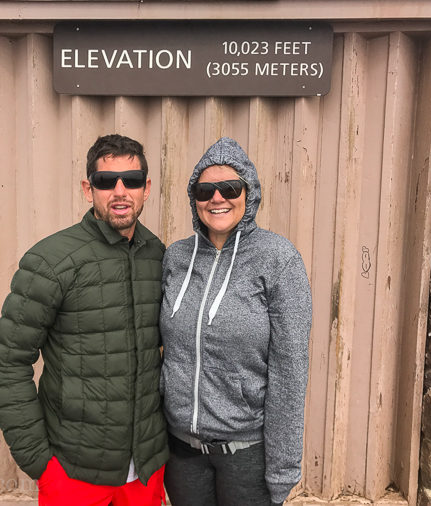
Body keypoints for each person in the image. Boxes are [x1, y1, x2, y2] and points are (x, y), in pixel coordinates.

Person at [0, 134, 169, 506]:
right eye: (106, 181)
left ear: (146, 188)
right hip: (73, 472)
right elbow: (6, 365)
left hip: (145, 471)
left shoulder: (158, 254)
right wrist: (40, 462)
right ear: (89, 189)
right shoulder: (50, 260)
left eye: (131, 181)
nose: (120, 191)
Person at [159, 137, 312, 506]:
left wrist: (282, 468)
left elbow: (290, 372)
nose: (217, 198)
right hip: (182, 453)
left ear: (249, 193)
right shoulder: (177, 258)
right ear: (193, 197)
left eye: (230, 188)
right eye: (205, 189)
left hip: (246, 455)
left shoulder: (278, 260)